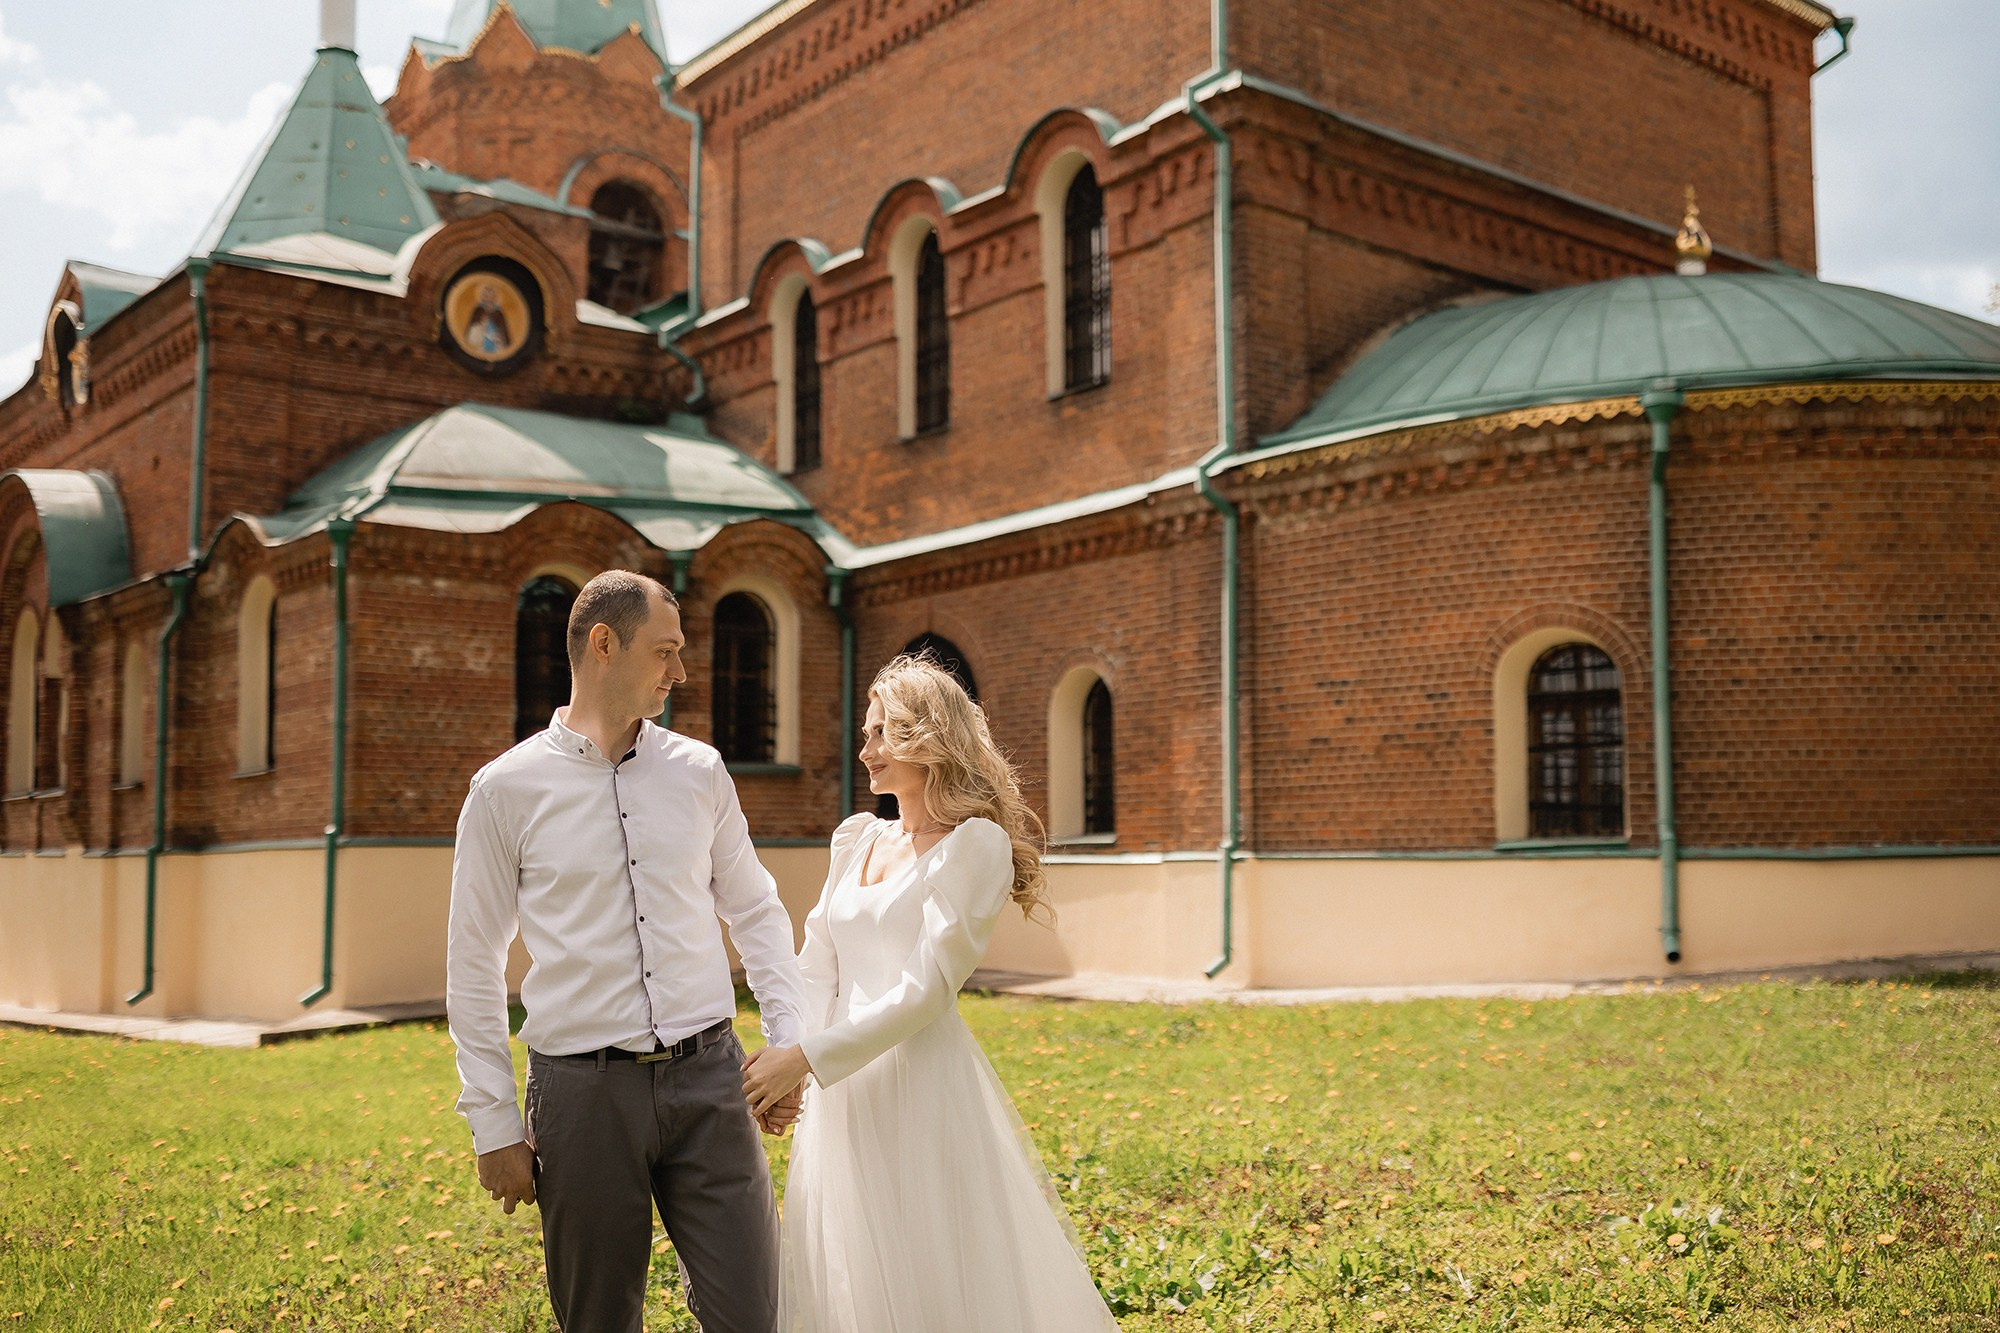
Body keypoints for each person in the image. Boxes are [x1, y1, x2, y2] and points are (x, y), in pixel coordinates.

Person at [448, 569, 810, 1333]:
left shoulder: (700, 772)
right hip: (584, 1096)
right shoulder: (503, 790)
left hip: (712, 1081)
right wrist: (494, 1122)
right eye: (667, 651)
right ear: (604, 645)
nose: (681, 671)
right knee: (599, 1321)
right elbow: (473, 962)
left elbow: (756, 908)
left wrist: (788, 1041)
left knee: (753, 1312)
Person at [741, 654, 1122, 1332]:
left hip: (921, 1086)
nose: (866, 751)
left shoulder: (975, 847)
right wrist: (791, 1056)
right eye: (867, 732)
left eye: (882, 731)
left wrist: (804, 1060)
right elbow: (817, 961)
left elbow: (926, 991)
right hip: (840, 1087)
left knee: (935, 1269)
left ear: (929, 736)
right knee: (852, 1272)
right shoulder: (856, 838)